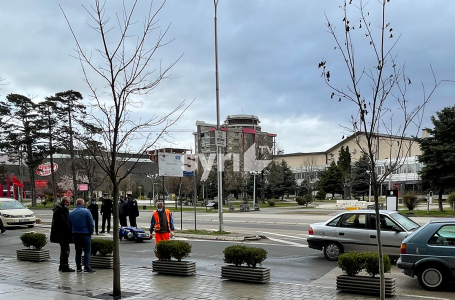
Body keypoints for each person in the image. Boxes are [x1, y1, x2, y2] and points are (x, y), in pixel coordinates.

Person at [68, 198, 95, 273]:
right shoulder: (87, 211)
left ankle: (78, 268)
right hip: (85, 234)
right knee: (87, 251)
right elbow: (91, 223)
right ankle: (87, 266)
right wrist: (91, 232)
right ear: (83, 204)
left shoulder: (71, 213)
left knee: (78, 252)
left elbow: (69, 225)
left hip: (76, 234)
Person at [50, 196, 75, 272]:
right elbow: (63, 222)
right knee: (65, 250)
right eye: (67, 202)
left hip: (62, 234)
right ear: (64, 202)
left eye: (69, 202)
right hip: (62, 234)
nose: (69, 204)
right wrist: (70, 226)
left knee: (64, 250)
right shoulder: (60, 210)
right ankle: (64, 266)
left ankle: (63, 265)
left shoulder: (61, 209)